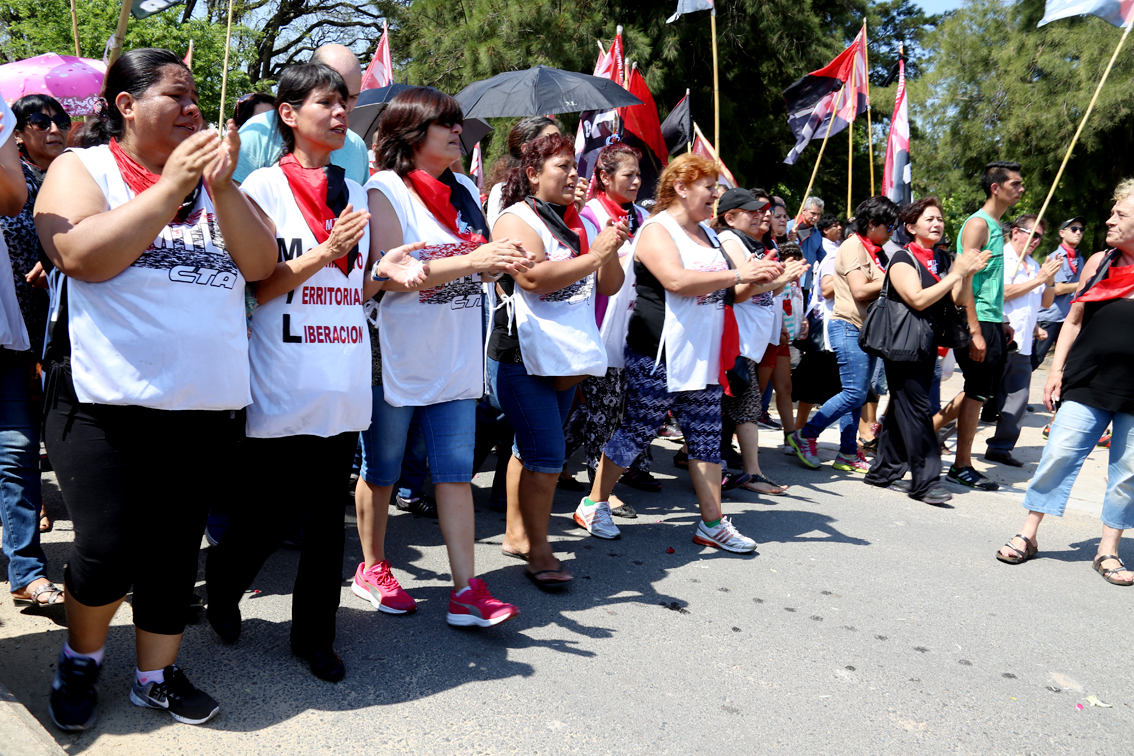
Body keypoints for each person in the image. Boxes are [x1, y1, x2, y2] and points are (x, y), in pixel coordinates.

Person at [34, 48, 277, 730]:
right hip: (102, 403)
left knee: (174, 553)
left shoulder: (222, 184)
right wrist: (170, 187)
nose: (195, 107)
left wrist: (223, 188)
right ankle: (82, 657)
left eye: (198, 95)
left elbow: (261, 266)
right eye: (177, 94)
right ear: (126, 105)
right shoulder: (81, 169)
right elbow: (81, 257)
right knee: (107, 550)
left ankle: (155, 675)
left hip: (200, 407)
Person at [204, 63, 420, 682]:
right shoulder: (262, 189)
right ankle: (221, 587)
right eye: (326, 102)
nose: (340, 112)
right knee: (268, 515)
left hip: (342, 373)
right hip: (282, 375)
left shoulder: (357, 191)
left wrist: (387, 271)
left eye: (344, 102)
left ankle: (314, 638)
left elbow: (357, 283)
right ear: (289, 115)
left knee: (327, 519)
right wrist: (325, 252)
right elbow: (259, 284)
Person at [359, 87, 532, 627]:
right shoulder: (383, 189)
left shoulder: (463, 187)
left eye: (459, 124)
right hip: (398, 352)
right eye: (447, 125)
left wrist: (497, 261)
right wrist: (475, 259)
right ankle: (373, 567)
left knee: (455, 473)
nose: (460, 132)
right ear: (412, 134)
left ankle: (466, 591)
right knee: (383, 469)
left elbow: (472, 258)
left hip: (456, 354)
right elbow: (391, 276)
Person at [581, 154, 776, 551]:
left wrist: (765, 279)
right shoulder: (656, 229)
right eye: (709, 187)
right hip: (659, 352)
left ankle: (712, 523)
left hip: (703, 354)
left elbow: (729, 293)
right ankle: (593, 502)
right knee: (638, 429)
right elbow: (676, 280)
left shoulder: (712, 234)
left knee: (706, 437)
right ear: (682, 187)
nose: (715, 196)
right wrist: (740, 273)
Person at [489, 133, 626, 582]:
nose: (573, 174)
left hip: (565, 357)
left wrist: (604, 245)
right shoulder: (516, 219)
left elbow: (608, 285)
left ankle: (516, 534)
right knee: (548, 454)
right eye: (562, 167)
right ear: (533, 174)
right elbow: (532, 279)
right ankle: (541, 549)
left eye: (574, 167)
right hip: (520, 357)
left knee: (525, 449)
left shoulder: (576, 222)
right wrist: (595, 256)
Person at [994, 180, 1134, 586]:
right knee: (1059, 453)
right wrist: (1056, 371)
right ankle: (1029, 533)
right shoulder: (1099, 263)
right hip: (1087, 379)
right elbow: (1072, 321)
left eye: (1120, 215)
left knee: (1127, 472)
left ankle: (1107, 551)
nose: (1109, 219)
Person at [863, 197, 988, 504]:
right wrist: (957, 274)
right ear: (911, 227)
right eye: (929, 219)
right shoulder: (903, 259)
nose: (937, 224)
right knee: (918, 410)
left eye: (940, 219)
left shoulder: (943, 259)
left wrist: (967, 272)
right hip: (901, 345)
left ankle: (883, 471)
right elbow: (917, 299)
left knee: (902, 409)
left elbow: (957, 298)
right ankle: (926, 481)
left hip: (928, 342)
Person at [563, 143, 657, 507]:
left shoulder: (643, 218)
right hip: (600, 324)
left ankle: (557, 461)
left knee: (600, 407)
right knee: (603, 404)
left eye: (638, 175)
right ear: (604, 177)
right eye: (627, 175)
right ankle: (598, 487)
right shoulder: (590, 216)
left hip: (632, 326)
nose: (635, 182)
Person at [2, 95, 63, 609]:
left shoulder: (65, 180)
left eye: (58, 119)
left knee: (19, 447)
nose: (52, 127)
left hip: (28, 329)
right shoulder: (17, 177)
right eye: (38, 121)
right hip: (15, 316)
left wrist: (55, 263)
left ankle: (25, 567)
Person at [788, 196, 899, 474]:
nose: (892, 232)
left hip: (866, 330)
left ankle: (848, 452)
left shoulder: (873, 250)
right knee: (853, 392)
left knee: (857, 395)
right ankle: (805, 434)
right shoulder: (852, 247)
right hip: (848, 326)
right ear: (872, 224)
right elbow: (860, 290)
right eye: (890, 226)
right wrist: (896, 276)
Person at [937, 161, 1024, 491]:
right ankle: (961, 465)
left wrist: (1001, 321)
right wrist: (974, 329)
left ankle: (910, 435)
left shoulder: (995, 224)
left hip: (991, 319)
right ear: (996, 188)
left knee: (978, 391)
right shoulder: (978, 224)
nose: (1021, 188)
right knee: (975, 393)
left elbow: (991, 282)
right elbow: (965, 280)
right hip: (977, 319)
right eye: (1015, 183)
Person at [712, 187, 798, 495]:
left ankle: (709, 462)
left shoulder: (752, 243)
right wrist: (780, 277)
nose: (761, 215)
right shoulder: (730, 239)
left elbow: (766, 290)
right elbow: (746, 284)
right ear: (730, 216)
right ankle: (752, 472)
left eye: (762, 211)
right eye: (753, 211)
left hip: (751, 340)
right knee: (745, 406)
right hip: (738, 338)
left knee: (727, 406)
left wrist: (780, 279)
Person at [233, 44, 369, 185]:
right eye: (327, 100)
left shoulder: (357, 148)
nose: (342, 108)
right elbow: (225, 202)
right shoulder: (257, 134)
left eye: (352, 97)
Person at [984, 216, 1059, 467]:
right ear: (1016, 232)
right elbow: (1002, 293)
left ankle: (1000, 448)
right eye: (1033, 234)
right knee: (978, 394)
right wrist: (1038, 280)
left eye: (1040, 237)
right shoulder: (1000, 258)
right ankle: (939, 431)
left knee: (1018, 398)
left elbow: (1045, 303)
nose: (1037, 241)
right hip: (997, 337)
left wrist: (1048, 278)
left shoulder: (1035, 265)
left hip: (1023, 343)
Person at [484, 116, 561, 229]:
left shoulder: (562, 189)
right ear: (526, 149)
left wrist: (575, 213)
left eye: (560, 140)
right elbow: (498, 240)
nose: (559, 147)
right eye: (550, 141)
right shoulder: (501, 191)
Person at [1033, 216, 1085, 370]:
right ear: (1062, 233)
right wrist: (1084, 284)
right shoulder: (1056, 257)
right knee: (1035, 359)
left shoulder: (1079, 258)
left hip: (1068, 318)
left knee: (1070, 361)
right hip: (1050, 316)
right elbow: (1059, 288)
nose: (1078, 233)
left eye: (1081, 230)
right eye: (1074, 229)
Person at [790, 195, 825, 296]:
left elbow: (823, 257)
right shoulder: (789, 227)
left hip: (806, 284)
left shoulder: (817, 233)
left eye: (818, 214)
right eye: (813, 213)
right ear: (804, 211)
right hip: (788, 281)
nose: (815, 217)